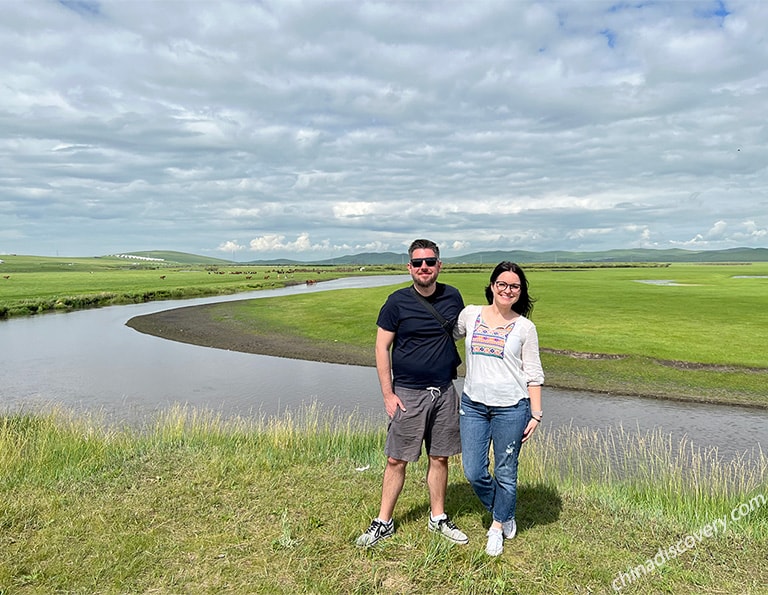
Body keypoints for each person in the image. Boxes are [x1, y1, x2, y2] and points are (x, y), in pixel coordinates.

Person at [356, 239, 468, 548]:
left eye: (429, 262)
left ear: (439, 265)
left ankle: (438, 518)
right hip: (408, 393)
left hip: (445, 391)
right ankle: (383, 521)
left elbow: (464, 329)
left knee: (440, 457)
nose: (424, 268)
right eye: (418, 263)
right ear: (409, 267)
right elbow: (381, 347)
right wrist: (388, 395)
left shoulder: (453, 296)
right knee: (396, 460)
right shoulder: (396, 302)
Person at [454, 261, 544, 557]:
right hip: (474, 405)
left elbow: (533, 372)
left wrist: (536, 413)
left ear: (521, 291)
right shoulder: (470, 315)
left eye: (514, 286)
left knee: (506, 471)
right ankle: (504, 510)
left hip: (512, 409)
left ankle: (497, 527)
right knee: (473, 470)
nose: (508, 290)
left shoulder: (525, 327)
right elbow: (441, 333)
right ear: (492, 285)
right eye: (502, 284)